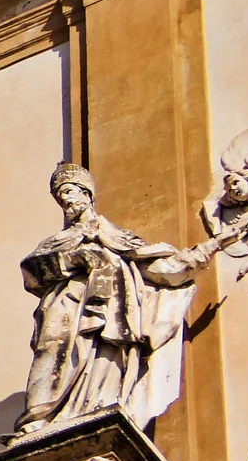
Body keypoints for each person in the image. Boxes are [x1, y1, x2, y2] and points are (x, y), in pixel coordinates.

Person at [19, 164, 225, 435]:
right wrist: (74, 258)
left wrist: (210, 247)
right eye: (60, 197)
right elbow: (32, 273)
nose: (65, 200)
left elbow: (160, 268)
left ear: (87, 194)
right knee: (51, 350)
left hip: (111, 314)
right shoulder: (58, 241)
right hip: (65, 306)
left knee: (106, 358)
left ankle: (96, 408)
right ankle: (38, 418)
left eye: (68, 192)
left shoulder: (115, 237)